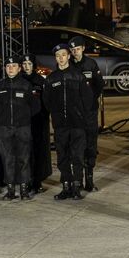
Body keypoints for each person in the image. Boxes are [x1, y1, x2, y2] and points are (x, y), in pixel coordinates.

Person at [43, 43, 93, 201]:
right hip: (60, 126)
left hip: (78, 125)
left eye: (63, 55)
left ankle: (77, 187)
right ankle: (66, 186)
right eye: (58, 56)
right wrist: (56, 115)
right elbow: (47, 101)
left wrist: (81, 116)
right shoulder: (51, 78)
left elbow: (88, 99)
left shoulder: (78, 76)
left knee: (77, 156)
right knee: (62, 156)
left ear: (69, 56)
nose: (61, 58)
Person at [0, 56, 39, 200]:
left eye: (13, 66)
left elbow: (35, 106)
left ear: (19, 68)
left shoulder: (26, 85)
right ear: (5, 68)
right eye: (8, 66)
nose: (10, 68)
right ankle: (10, 190)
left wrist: (23, 117)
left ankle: (24, 190)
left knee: (24, 158)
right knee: (7, 158)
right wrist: (2, 117)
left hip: (23, 128)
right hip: (5, 128)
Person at [69, 35, 104, 192]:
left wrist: (90, 100)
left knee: (90, 145)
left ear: (83, 48)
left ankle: (89, 179)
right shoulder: (68, 66)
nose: (75, 52)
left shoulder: (91, 64)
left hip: (89, 111)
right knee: (76, 147)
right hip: (74, 113)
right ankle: (78, 180)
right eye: (73, 50)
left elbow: (99, 85)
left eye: (77, 49)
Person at [22, 53, 52, 194]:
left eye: (29, 64)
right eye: (24, 64)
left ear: (34, 65)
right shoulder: (19, 81)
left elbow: (47, 101)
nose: (27, 67)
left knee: (39, 152)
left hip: (39, 122)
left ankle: (37, 181)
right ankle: (26, 181)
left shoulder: (40, 80)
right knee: (25, 153)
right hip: (23, 123)